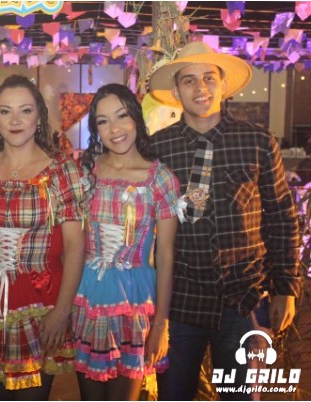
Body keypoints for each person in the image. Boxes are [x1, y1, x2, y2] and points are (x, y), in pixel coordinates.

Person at [148, 41, 302, 400]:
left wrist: (286, 287)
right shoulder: (158, 148)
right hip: (180, 300)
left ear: (223, 85)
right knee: (173, 395)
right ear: (176, 91)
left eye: (208, 78)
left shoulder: (256, 141)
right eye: (189, 80)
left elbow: (281, 215)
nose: (200, 87)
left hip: (243, 297)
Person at [0, 75, 86, 400]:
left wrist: (62, 312)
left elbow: (75, 248)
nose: (15, 120)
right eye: (5, 111)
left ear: (39, 116)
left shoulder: (62, 171)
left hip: (40, 303)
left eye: (25, 110)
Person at [72, 84, 180, 400]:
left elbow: (166, 254)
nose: (114, 129)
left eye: (122, 116)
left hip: (134, 300)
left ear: (136, 117)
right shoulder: (86, 173)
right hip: (86, 295)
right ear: (95, 129)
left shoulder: (161, 178)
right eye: (103, 121)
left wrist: (161, 324)